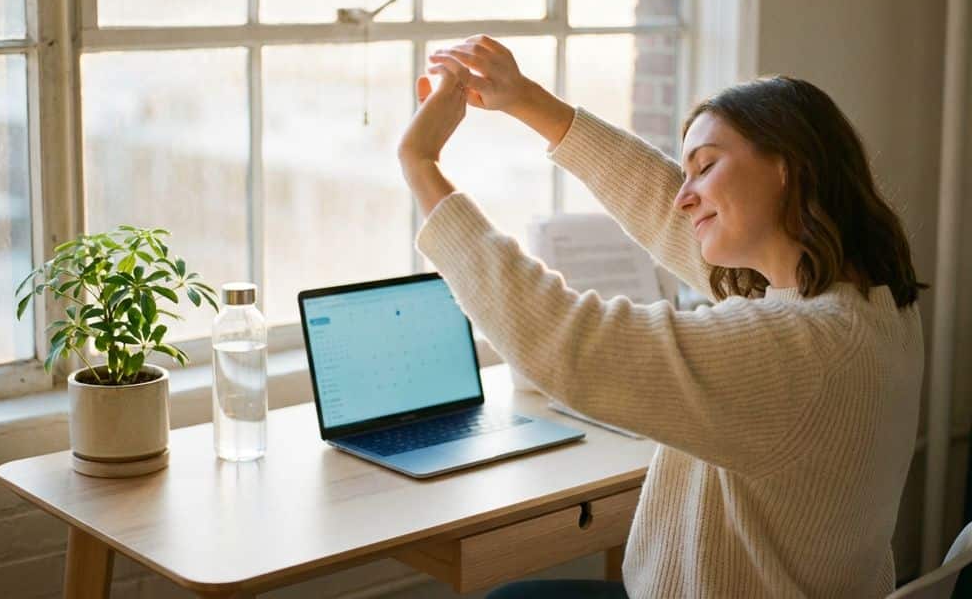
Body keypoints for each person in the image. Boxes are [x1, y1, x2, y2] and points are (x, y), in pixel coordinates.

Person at [396, 35, 926, 599]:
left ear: (787, 169)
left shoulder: (802, 348)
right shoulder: (869, 304)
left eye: (705, 168)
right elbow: (657, 201)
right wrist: (527, 100)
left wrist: (421, 166)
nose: (683, 196)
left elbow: (564, 341)